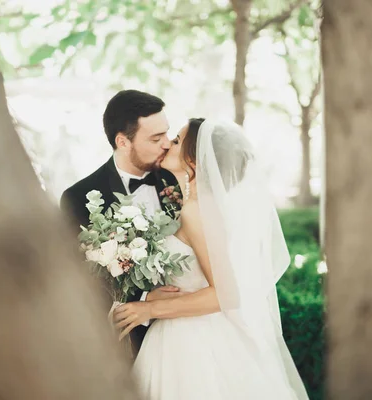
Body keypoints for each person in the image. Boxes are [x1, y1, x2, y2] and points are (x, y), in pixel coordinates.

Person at [113, 118, 309, 399]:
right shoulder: (198, 206)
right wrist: (154, 297)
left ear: (194, 160)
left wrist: (148, 311)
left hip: (194, 344)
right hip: (187, 330)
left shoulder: (196, 212)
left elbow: (225, 295)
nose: (168, 143)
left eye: (178, 141)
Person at [61, 89, 182, 357]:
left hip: (191, 326)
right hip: (131, 342)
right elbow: (81, 281)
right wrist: (144, 301)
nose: (167, 143)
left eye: (167, 133)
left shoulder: (181, 178)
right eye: (155, 138)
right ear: (123, 142)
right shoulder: (79, 198)